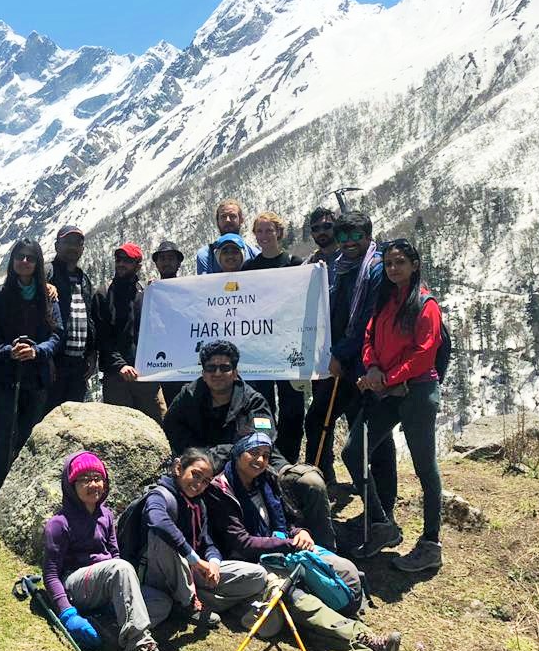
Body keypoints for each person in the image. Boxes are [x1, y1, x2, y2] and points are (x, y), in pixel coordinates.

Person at [202, 432, 407, 651]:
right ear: (238, 452)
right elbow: (240, 543)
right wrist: (287, 544)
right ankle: (364, 639)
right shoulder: (222, 491)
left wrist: (299, 532)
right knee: (298, 599)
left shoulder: (266, 481)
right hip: (252, 564)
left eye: (265, 455)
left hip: (279, 553)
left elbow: (288, 518)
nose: (260, 460)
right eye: (253, 453)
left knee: (310, 603)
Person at [162, 340, 338, 550]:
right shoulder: (188, 396)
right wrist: (200, 456)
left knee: (311, 482)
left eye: (224, 367)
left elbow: (257, 443)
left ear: (235, 372)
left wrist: (213, 454)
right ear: (203, 371)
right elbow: (173, 428)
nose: (217, 373)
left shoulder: (253, 400)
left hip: (262, 462)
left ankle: (326, 554)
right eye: (211, 367)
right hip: (208, 466)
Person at [41, 451, 188, 651]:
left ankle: (107, 629)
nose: (93, 484)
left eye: (97, 478)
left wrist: (121, 591)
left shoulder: (106, 515)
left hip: (106, 582)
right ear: (71, 485)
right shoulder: (59, 523)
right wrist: (67, 613)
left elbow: (114, 553)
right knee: (120, 568)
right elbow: (51, 573)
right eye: (85, 479)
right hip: (78, 584)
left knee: (161, 602)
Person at [346, 239, 445, 573]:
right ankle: (381, 524)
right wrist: (373, 369)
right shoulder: (386, 300)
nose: (393, 269)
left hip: (417, 392)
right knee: (353, 450)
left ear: (414, 265)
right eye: (388, 263)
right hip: (387, 390)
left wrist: (384, 379)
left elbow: (424, 354)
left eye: (399, 262)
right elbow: (369, 338)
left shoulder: (425, 304)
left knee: (424, 468)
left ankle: (431, 543)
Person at [304, 210, 397, 498]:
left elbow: (367, 320)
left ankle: (383, 505)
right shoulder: (342, 267)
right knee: (318, 419)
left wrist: (340, 353)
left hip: (366, 365)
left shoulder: (376, 270)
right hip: (344, 362)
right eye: (344, 236)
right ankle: (317, 488)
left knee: (372, 436)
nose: (349, 242)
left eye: (356, 235)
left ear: (368, 236)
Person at [128, 448, 268, 628]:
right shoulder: (160, 495)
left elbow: (208, 542)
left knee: (257, 576)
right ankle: (188, 603)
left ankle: (187, 602)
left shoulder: (198, 504)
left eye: (205, 481)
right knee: (163, 536)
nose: (199, 484)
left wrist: (214, 564)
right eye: (196, 475)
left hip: (189, 572)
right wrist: (193, 558)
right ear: (178, 468)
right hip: (157, 573)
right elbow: (158, 521)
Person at [0, 239, 63, 503]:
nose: (24, 262)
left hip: (36, 377)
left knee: (27, 435)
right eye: (19, 257)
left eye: (30, 258)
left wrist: (38, 351)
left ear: (37, 263)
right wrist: (6, 351)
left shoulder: (47, 296)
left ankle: (20, 495)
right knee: (3, 435)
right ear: (12, 261)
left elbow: (58, 334)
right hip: (2, 375)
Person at [243, 212, 306, 462]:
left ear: (279, 233)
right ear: (255, 235)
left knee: (293, 408)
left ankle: (288, 460)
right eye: (260, 231)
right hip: (260, 350)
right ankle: (265, 458)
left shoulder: (294, 263)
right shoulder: (249, 268)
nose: (265, 236)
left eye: (270, 231)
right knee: (262, 407)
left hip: (289, 348)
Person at [95, 242, 164, 422]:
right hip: (116, 378)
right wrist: (120, 365)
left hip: (147, 375)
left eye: (127, 260)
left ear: (138, 265)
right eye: (118, 259)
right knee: (118, 430)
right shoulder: (103, 294)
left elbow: (162, 328)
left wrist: (160, 291)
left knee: (159, 426)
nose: (121, 264)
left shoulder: (147, 293)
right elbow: (102, 338)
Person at [44, 225, 97, 413]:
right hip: (54, 362)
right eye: (67, 242)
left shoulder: (84, 279)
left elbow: (88, 317)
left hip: (79, 364)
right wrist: (46, 357)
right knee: (48, 417)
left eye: (78, 243)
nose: (73, 247)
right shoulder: (47, 273)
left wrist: (91, 352)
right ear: (57, 245)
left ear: (82, 248)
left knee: (74, 418)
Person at [150, 239, 187, 406]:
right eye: (162, 259)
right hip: (162, 361)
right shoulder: (149, 292)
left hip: (185, 360)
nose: (166, 262)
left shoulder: (189, 290)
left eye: (171, 258)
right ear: (156, 263)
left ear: (179, 263)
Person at [195, 200, 257, 274]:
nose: (228, 220)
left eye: (232, 216)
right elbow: (205, 284)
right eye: (223, 216)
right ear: (217, 221)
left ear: (241, 220)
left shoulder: (254, 254)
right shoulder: (206, 255)